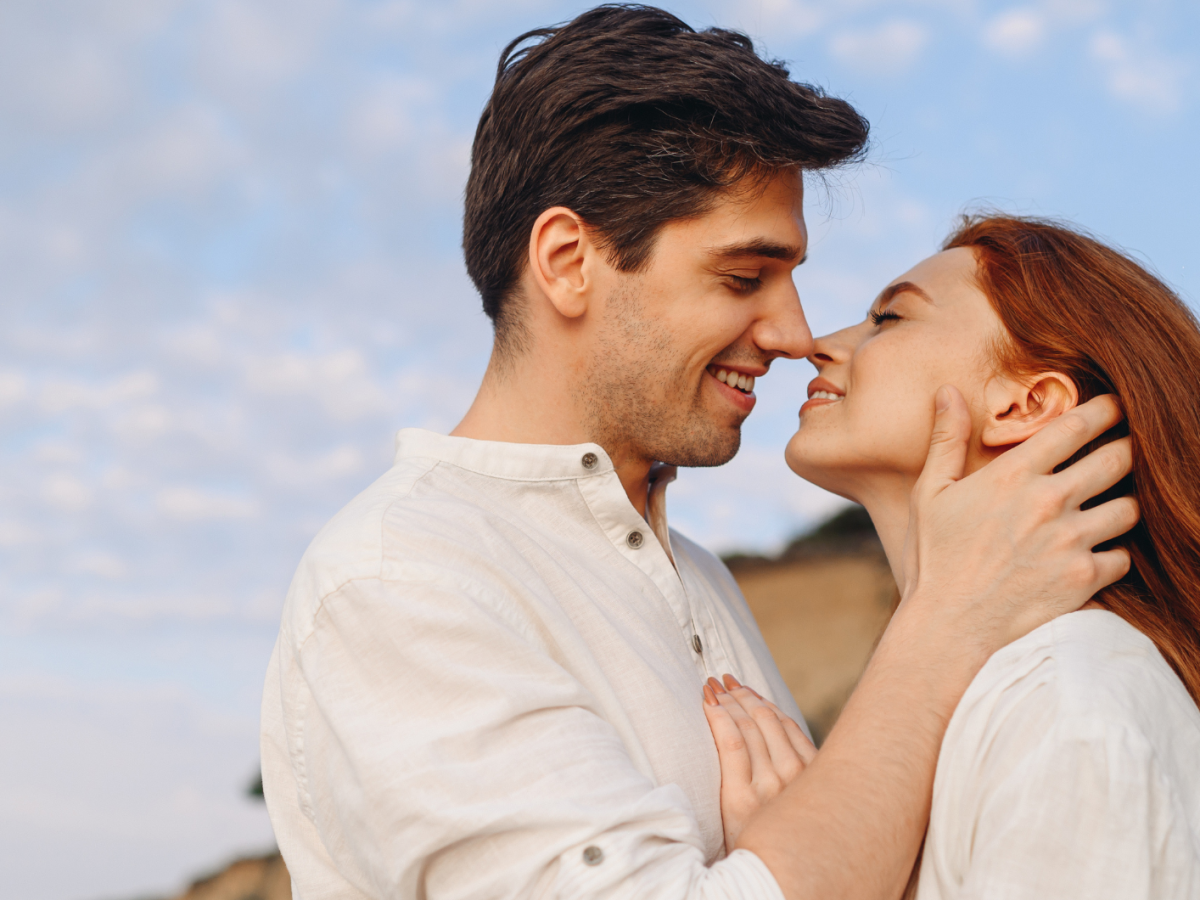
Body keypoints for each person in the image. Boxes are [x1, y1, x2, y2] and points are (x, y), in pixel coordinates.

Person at [259, 8, 1137, 900]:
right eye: (743, 278)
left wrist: (784, 847)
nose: (794, 333)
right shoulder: (400, 580)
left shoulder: (702, 580)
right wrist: (944, 625)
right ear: (568, 261)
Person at [705, 214, 1200, 898]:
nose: (817, 345)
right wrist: (812, 854)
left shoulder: (1070, 706)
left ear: (1026, 404)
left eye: (890, 319)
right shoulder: (983, 702)